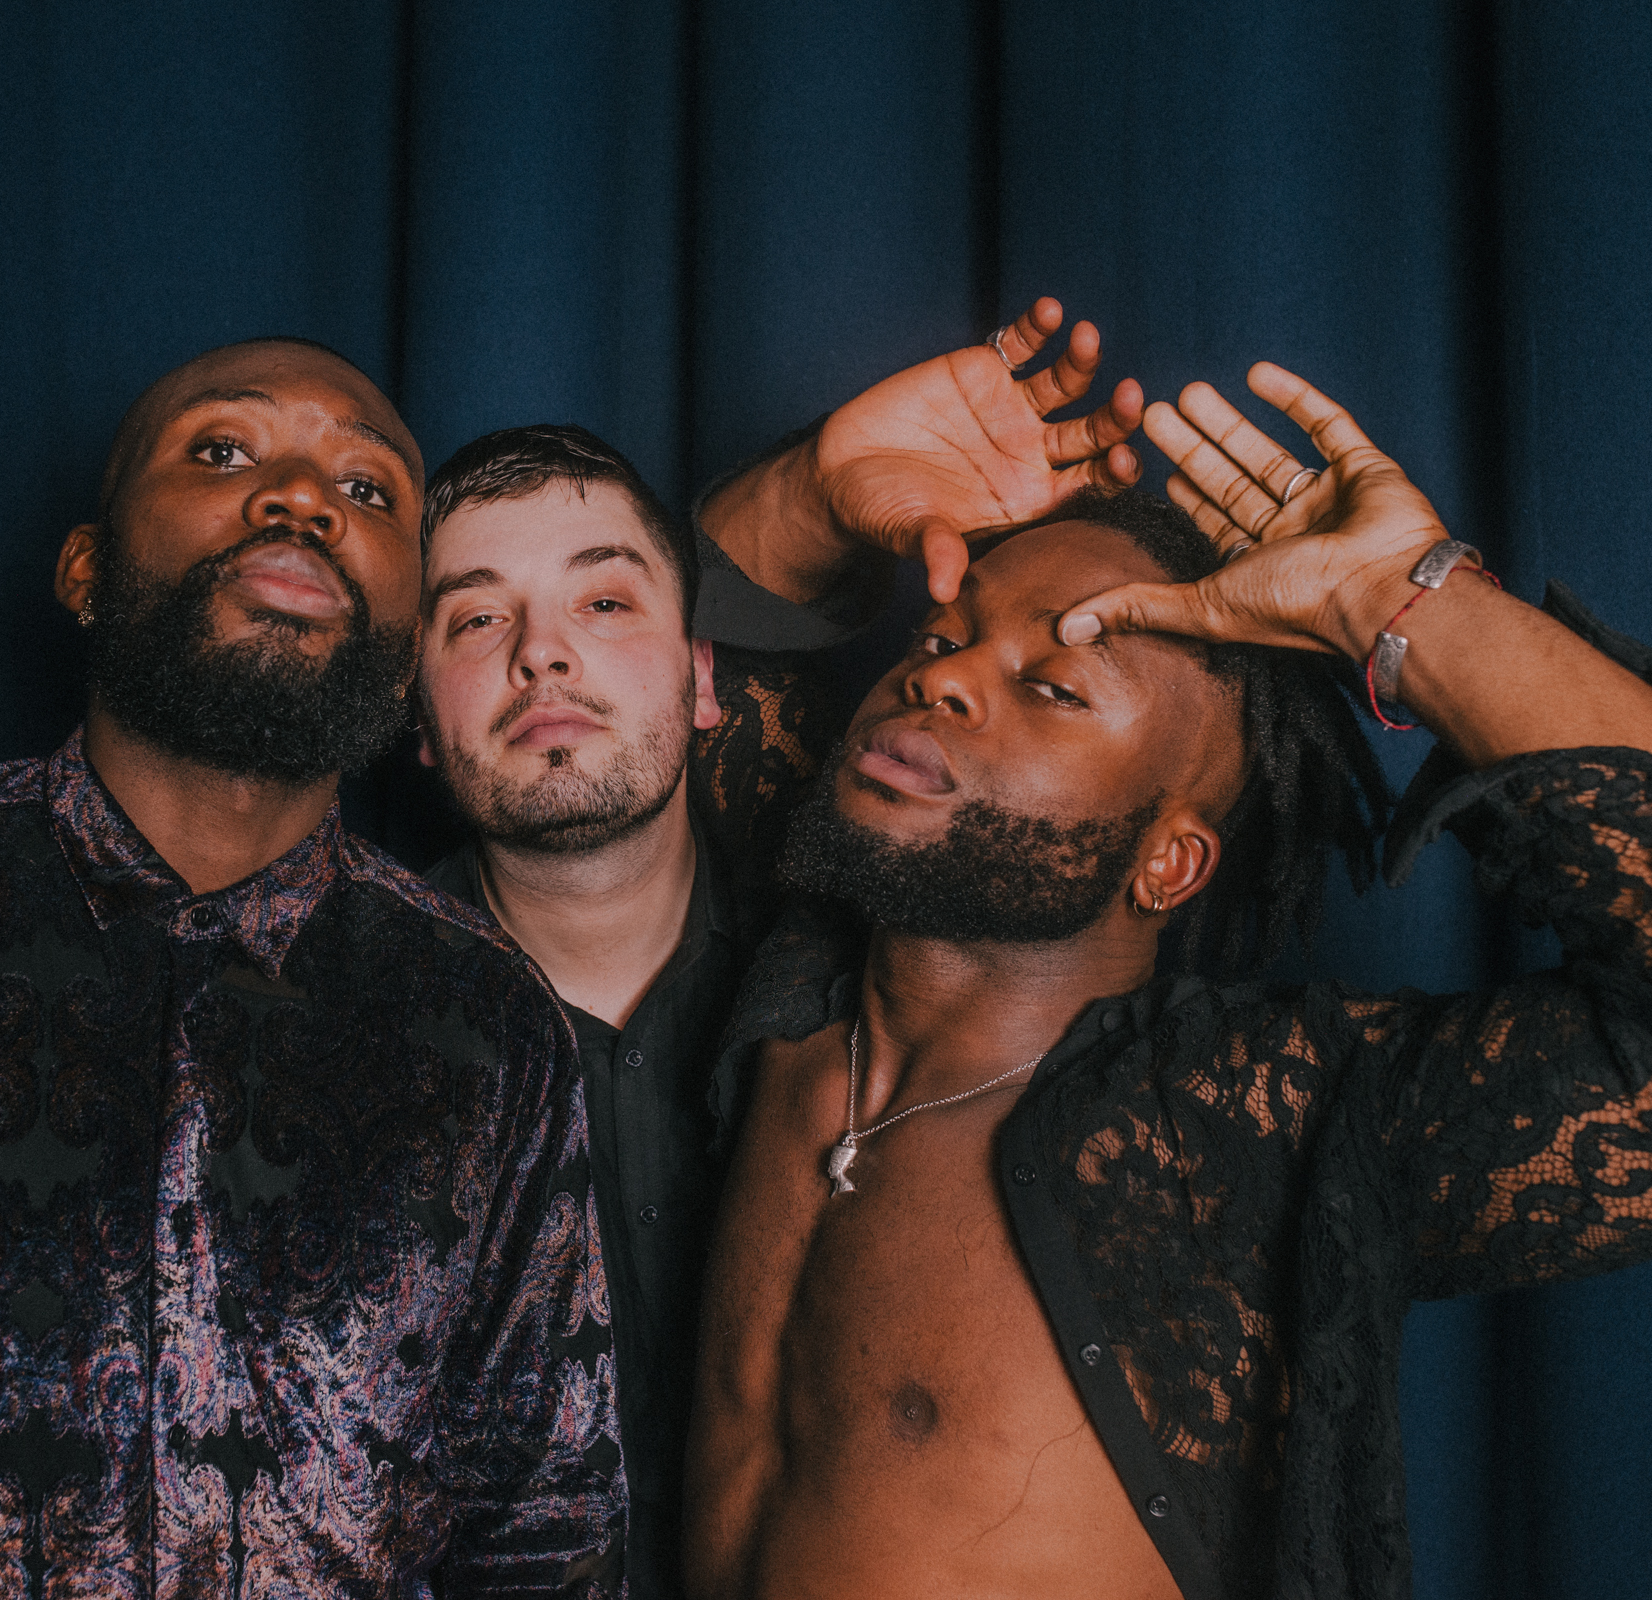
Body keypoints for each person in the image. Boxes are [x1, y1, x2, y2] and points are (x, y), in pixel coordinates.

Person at [0, 337, 625, 1596]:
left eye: (369, 488)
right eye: (223, 451)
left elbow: (545, 1536)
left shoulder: (489, 1022)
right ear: (86, 569)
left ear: (407, 640)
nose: (301, 498)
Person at [683, 349, 1652, 1599]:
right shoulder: (798, 971)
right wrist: (822, 489)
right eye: (941, 631)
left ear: (1170, 860)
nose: (940, 674)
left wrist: (1401, 607)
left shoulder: (1253, 1119)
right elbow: (681, 638)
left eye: (1051, 686)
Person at [410, 316, 1142, 1597]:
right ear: (413, 720)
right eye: (475, 621)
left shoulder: (871, 987)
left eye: (602, 600)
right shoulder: (327, 1016)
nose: (545, 652)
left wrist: (808, 495)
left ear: (704, 680)